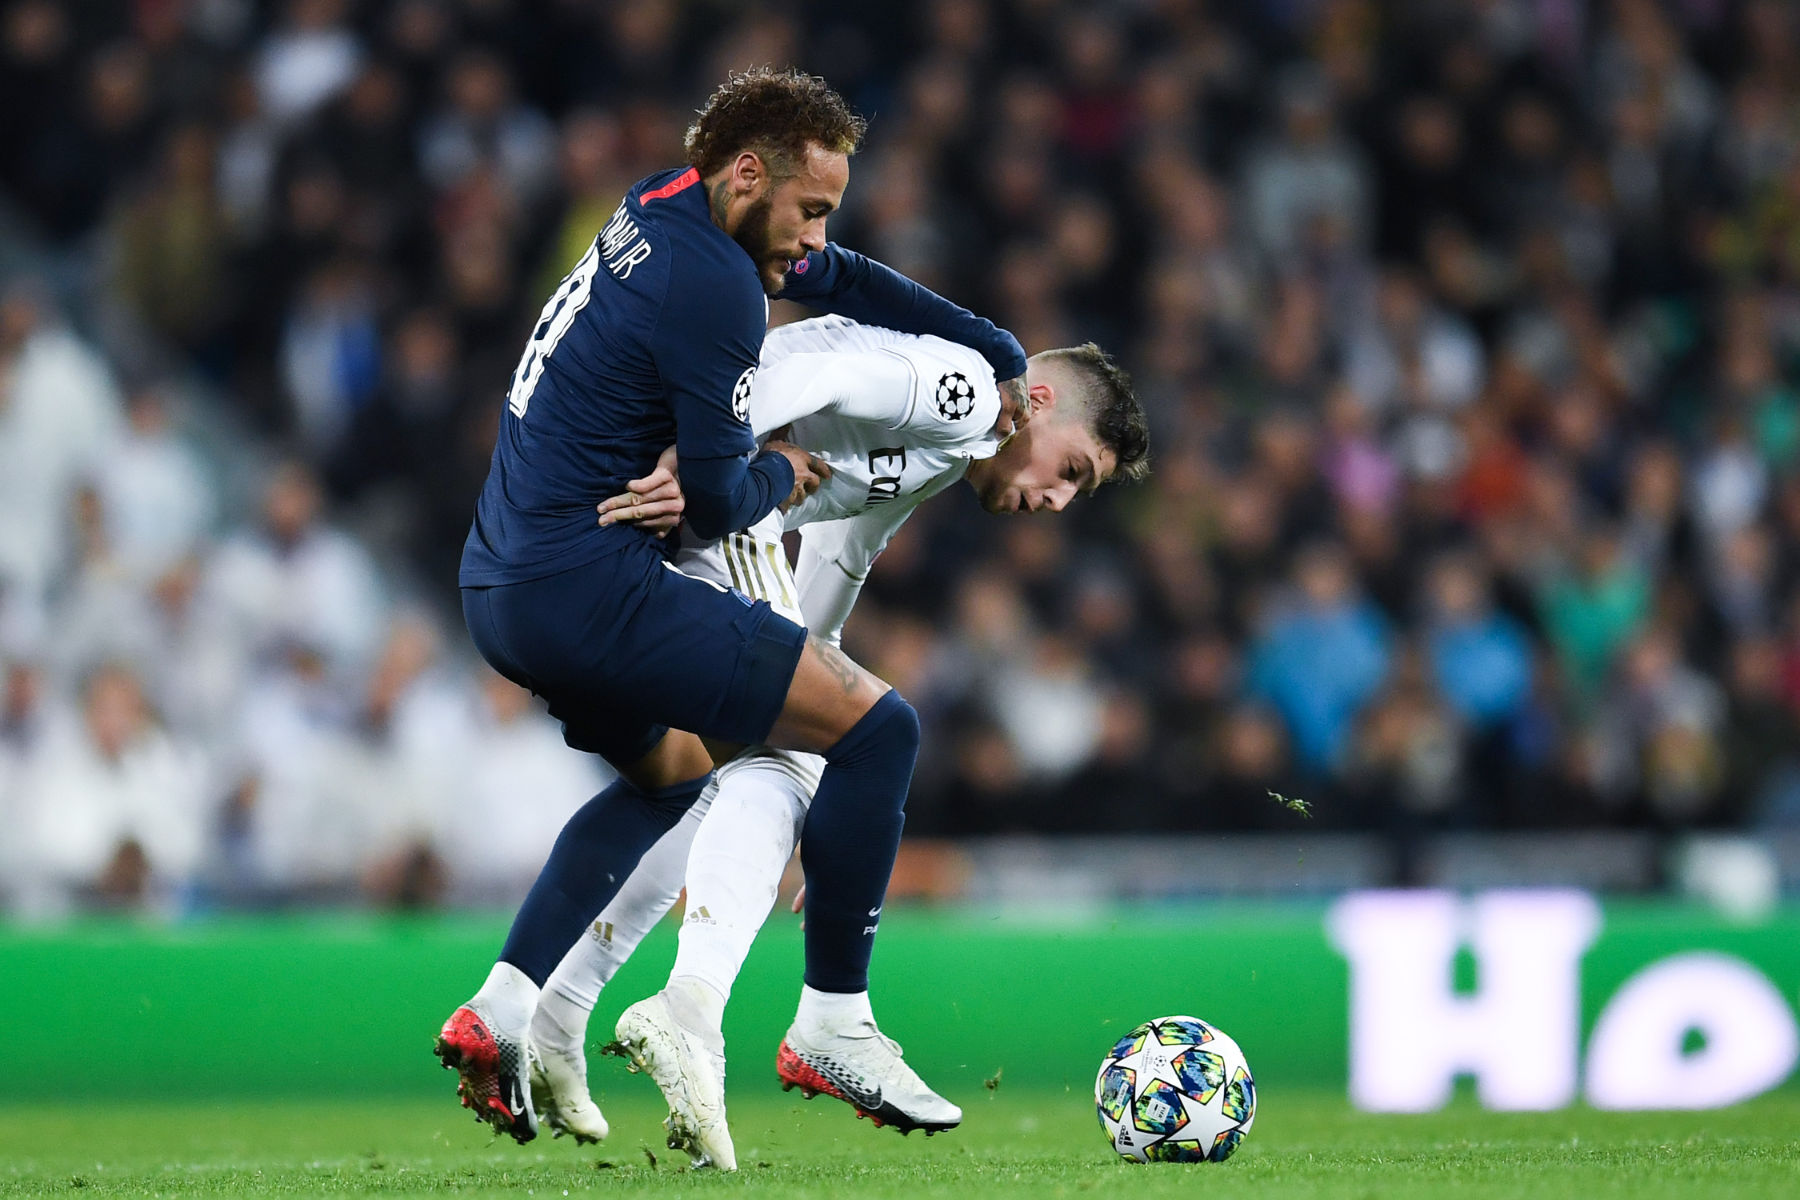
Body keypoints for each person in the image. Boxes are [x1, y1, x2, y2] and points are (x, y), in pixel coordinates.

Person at [436, 68, 1030, 1144]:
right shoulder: (716, 286)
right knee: (876, 730)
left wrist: (992, 345)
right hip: (589, 584)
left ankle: (508, 1008)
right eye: (808, 208)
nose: (811, 239)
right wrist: (783, 472)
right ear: (750, 172)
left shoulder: (658, 202)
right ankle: (832, 1022)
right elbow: (713, 503)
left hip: (499, 583)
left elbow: (842, 276)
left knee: (674, 776)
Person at [526, 317, 1149, 1168]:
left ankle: (561, 1006)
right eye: (1070, 470)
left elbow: (841, 557)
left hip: (692, 503)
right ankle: (734, 1013)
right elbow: (816, 373)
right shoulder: (965, 395)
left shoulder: (941, 456)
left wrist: (790, 709)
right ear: (1035, 403)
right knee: (813, 749)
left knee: (755, 759)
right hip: (695, 487)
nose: (1058, 501)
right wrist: (708, 456)